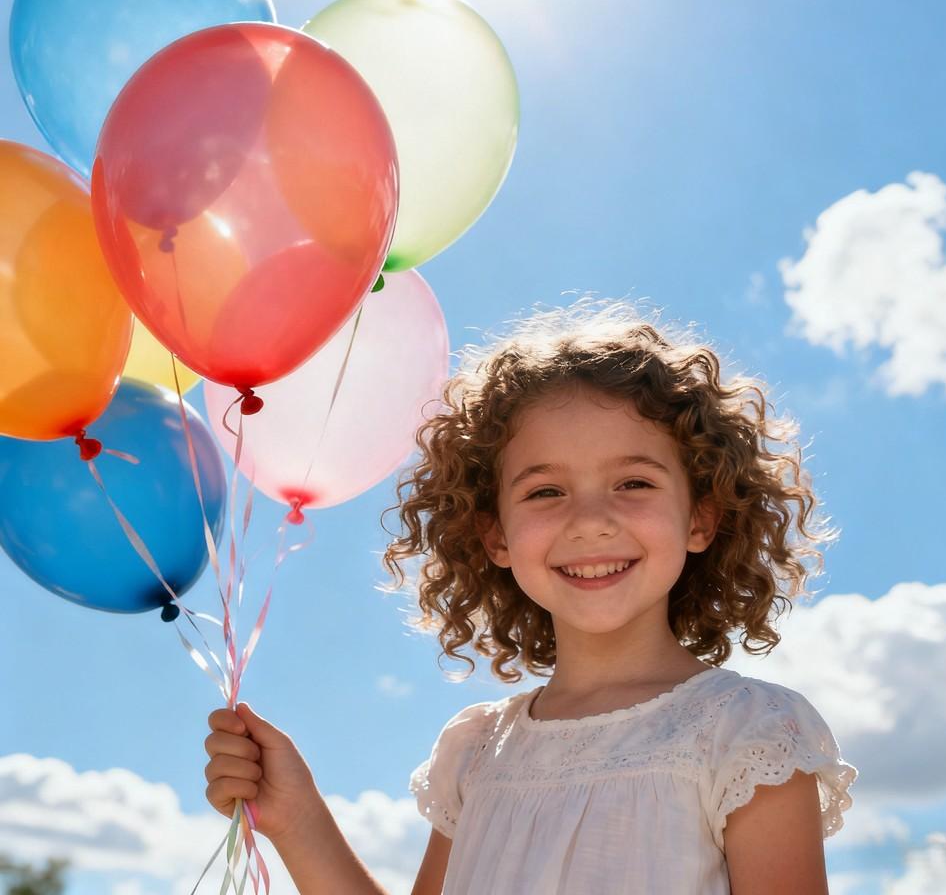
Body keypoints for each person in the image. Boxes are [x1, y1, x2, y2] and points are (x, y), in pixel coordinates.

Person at [204, 297, 858, 894]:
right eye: (546, 491)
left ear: (701, 518)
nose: (589, 520)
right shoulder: (476, 751)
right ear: (494, 536)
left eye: (633, 482)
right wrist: (296, 819)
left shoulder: (748, 734)